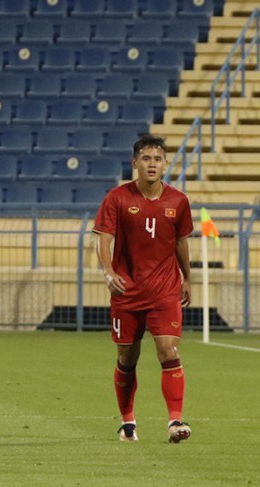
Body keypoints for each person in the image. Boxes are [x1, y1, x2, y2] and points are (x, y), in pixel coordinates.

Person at [93, 134, 194, 444]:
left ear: (165, 164)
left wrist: (187, 278)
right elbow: (103, 239)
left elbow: (181, 241)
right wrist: (109, 272)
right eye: (146, 158)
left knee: (168, 350)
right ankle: (128, 423)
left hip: (164, 290)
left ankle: (175, 422)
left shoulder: (178, 201)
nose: (152, 164)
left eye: (158, 159)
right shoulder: (117, 198)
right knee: (127, 358)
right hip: (127, 291)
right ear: (134, 163)